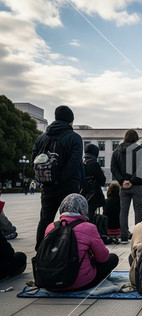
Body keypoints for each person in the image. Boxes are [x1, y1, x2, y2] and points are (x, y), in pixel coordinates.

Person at [31, 105, 84, 251]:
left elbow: (34, 161)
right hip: (68, 185)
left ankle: (40, 250)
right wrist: (61, 179)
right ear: (70, 121)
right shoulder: (74, 138)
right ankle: (68, 250)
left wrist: (46, 179)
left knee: (45, 219)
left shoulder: (41, 138)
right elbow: (74, 163)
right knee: (71, 219)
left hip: (47, 186)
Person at [44, 194, 118, 291]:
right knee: (112, 258)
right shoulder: (89, 227)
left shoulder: (50, 227)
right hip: (77, 282)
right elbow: (103, 258)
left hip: (49, 281)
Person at [110, 129, 142, 244]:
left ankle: (124, 236)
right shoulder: (140, 150)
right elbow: (141, 168)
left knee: (124, 211)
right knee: (138, 210)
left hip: (124, 186)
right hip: (137, 185)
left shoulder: (116, 151)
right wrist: (132, 180)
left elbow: (113, 168)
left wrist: (122, 181)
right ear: (136, 138)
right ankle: (138, 236)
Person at [80, 144, 106, 222]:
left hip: (82, 194)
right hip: (93, 196)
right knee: (91, 216)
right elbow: (102, 181)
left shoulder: (81, 164)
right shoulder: (94, 164)